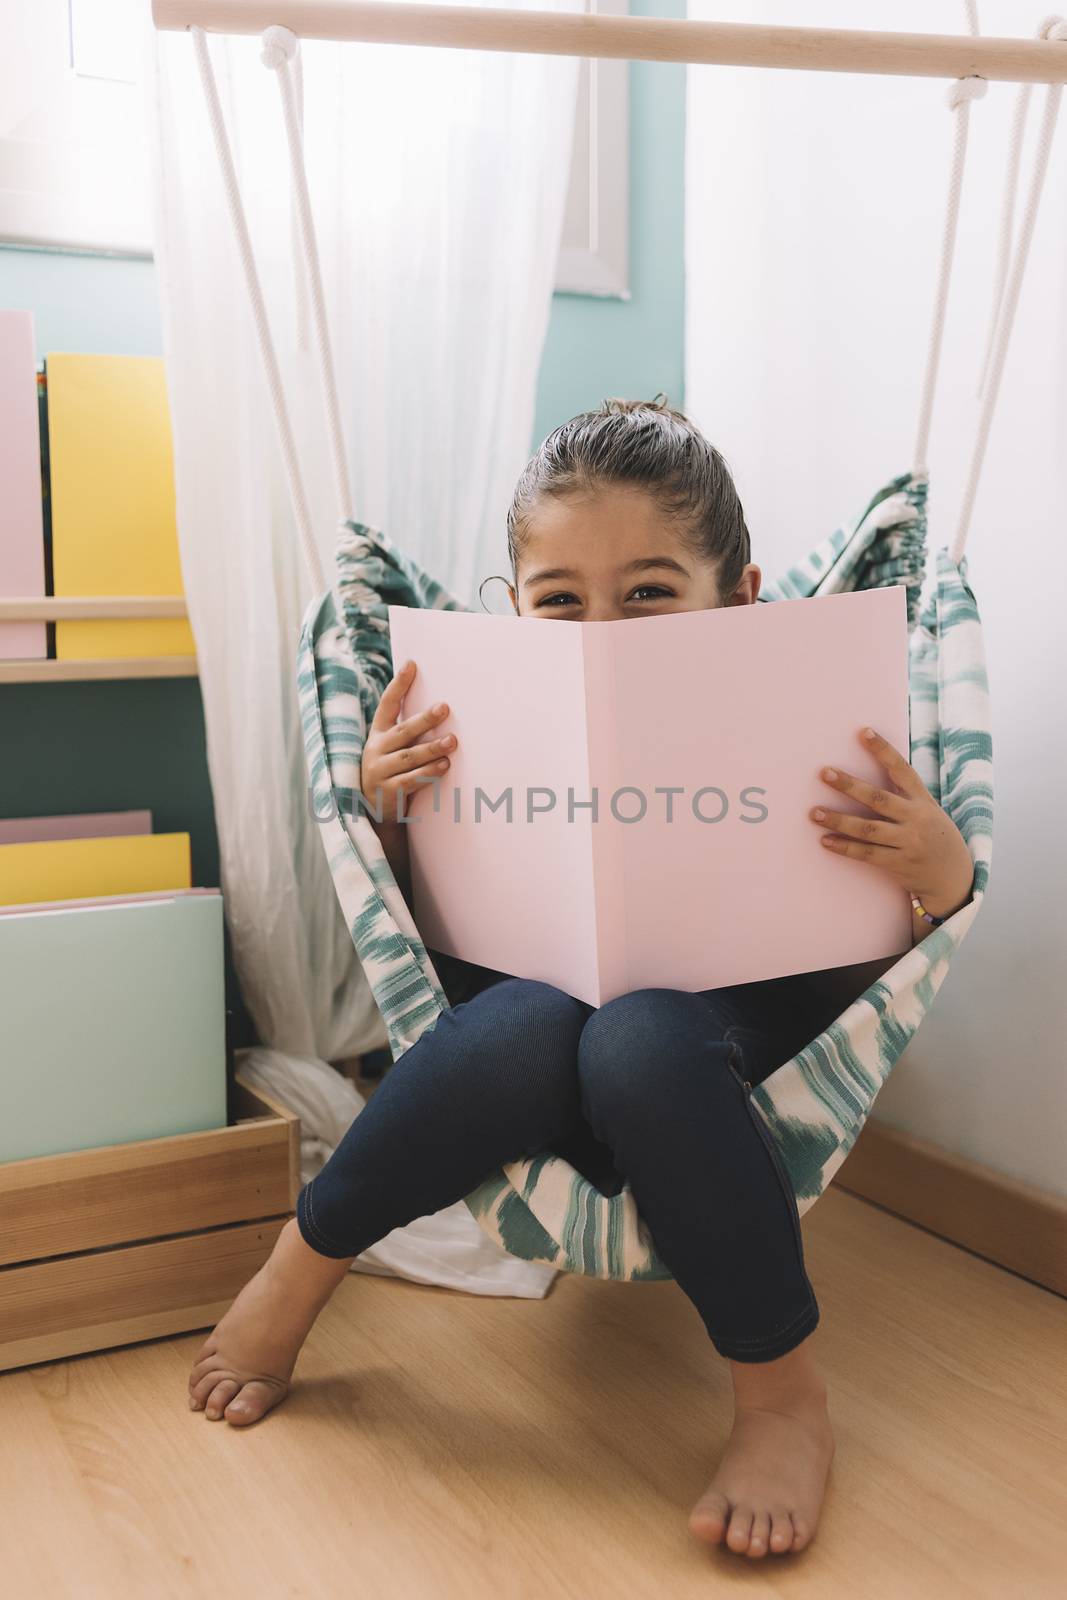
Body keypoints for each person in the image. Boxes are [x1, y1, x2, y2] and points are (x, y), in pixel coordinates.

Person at [185, 396, 976, 1560]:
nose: (601, 630)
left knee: (637, 1039)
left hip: (712, 1072)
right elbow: (420, 946)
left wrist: (939, 869)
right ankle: (301, 1266)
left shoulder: (827, 722)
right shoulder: (474, 711)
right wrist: (390, 813)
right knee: (525, 1029)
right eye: (560, 604)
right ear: (512, 613)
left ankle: (780, 1397)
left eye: (648, 593)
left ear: (740, 600)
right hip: (521, 1056)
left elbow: (870, 985)